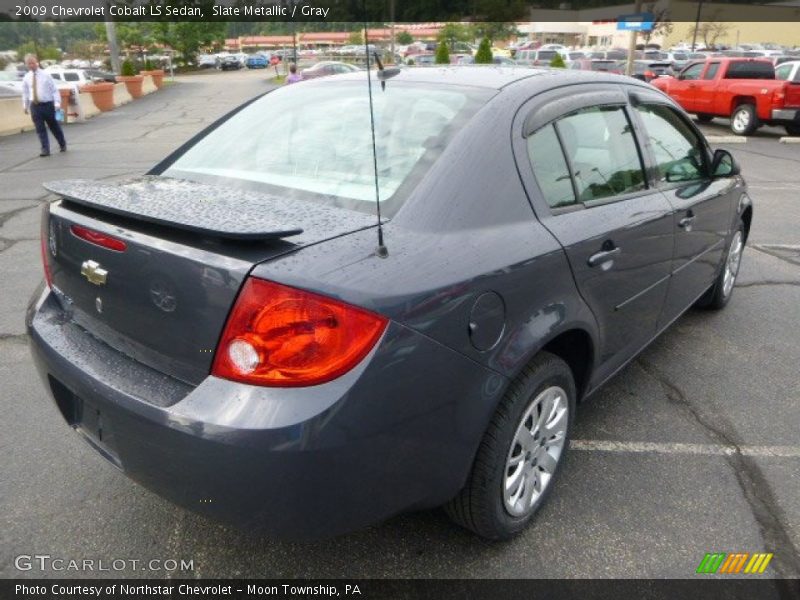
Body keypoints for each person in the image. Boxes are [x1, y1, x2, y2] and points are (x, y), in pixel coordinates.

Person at [21, 54, 67, 157]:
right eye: (29, 63)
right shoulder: (26, 77)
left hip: (47, 105)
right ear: (26, 65)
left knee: (54, 126)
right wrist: (25, 105)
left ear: (36, 62)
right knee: (40, 129)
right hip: (35, 106)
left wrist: (57, 103)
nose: (31, 65)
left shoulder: (46, 75)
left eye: (33, 63)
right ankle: (45, 149)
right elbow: (25, 92)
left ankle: (62, 143)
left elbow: (54, 90)